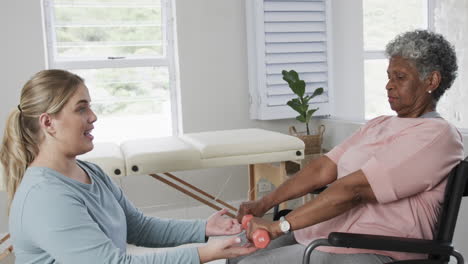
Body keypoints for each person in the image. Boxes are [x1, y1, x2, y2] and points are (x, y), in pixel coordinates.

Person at [229, 30, 464, 264]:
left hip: (378, 249)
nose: (388, 86)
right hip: (329, 237)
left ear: (431, 81)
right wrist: (263, 203)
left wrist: (279, 226)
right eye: (389, 76)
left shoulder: (438, 136)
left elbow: (355, 190)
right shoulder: (379, 124)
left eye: (400, 77)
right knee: (234, 254)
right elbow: (322, 168)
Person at [0, 69, 257, 263]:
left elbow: (139, 227)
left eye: (90, 106)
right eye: (81, 109)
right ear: (48, 123)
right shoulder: (45, 197)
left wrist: (203, 228)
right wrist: (202, 254)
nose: (93, 117)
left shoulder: (92, 173)